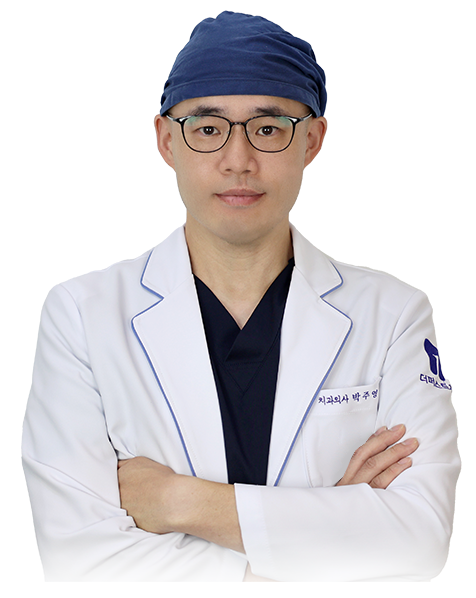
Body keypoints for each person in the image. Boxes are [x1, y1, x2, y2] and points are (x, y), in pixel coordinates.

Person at [22, 11, 460, 582]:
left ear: (312, 141)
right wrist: (332, 534)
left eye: (269, 128)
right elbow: (78, 557)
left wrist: (181, 500)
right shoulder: (83, 317)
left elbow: (421, 535)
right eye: (208, 129)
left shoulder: (393, 317)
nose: (238, 160)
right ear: (166, 141)